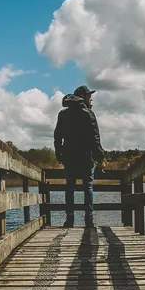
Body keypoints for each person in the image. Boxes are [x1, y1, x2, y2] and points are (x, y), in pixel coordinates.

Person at [53, 85, 103, 228]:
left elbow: (58, 136)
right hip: (86, 157)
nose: (91, 99)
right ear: (82, 97)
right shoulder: (88, 114)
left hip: (69, 157)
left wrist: (59, 153)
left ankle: (69, 219)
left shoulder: (63, 114)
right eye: (89, 96)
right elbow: (95, 138)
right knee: (88, 186)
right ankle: (89, 219)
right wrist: (100, 157)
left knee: (70, 187)